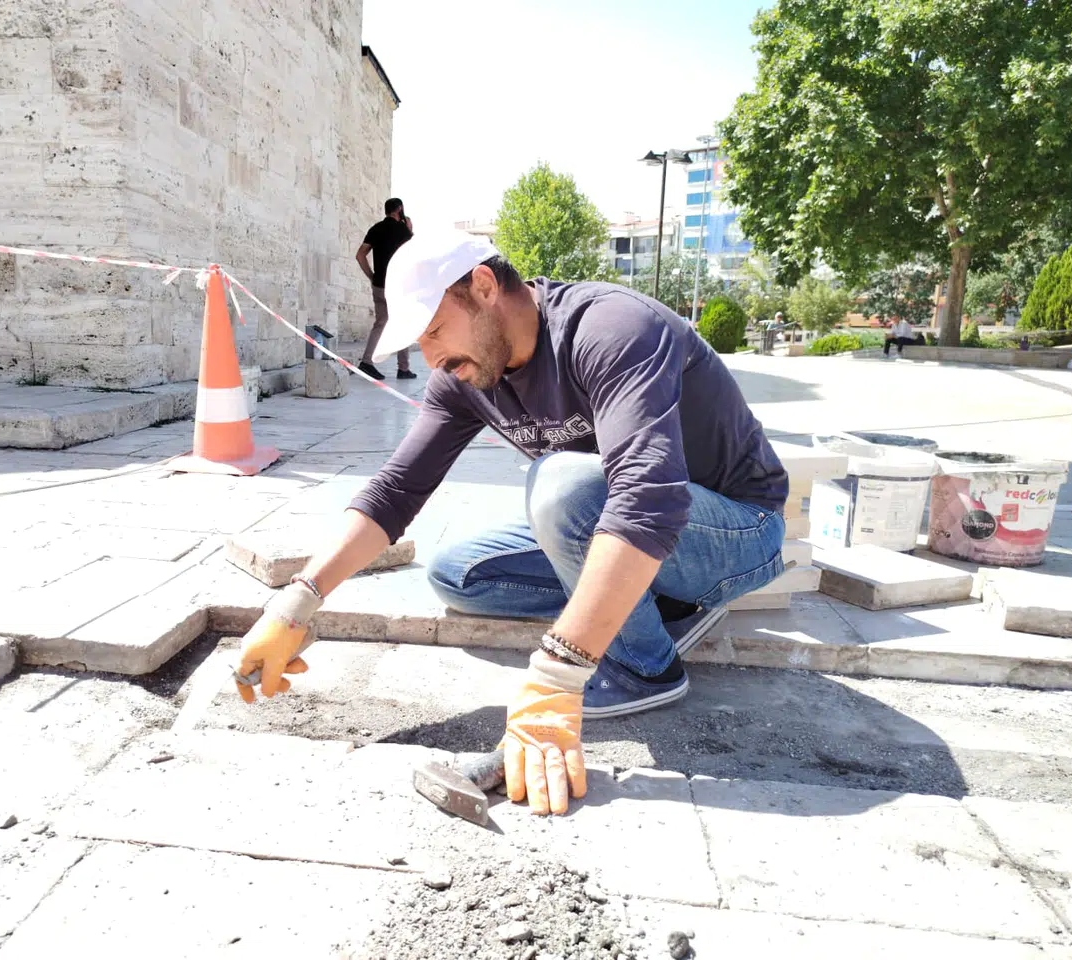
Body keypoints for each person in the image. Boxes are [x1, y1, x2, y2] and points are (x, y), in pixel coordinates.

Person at [231, 230, 789, 818]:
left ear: (484, 286)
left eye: (435, 330)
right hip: (634, 526)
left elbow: (649, 498)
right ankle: (641, 600)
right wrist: (295, 605)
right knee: (458, 575)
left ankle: (643, 664)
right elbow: (396, 491)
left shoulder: (611, 329)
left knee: (562, 488)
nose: (432, 358)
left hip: (736, 532)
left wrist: (555, 677)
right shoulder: (464, 376)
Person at [356, 198, 416, 381]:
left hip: (379, 284)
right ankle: (403, 368)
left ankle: (367, 362)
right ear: (400, 210)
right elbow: (413, 256)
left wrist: (372, 276)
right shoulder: (404, 231)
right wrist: (410, 230)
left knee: (380, 323)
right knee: (402, 324)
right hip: (397, 286)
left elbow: (360, 255)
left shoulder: (376, 229)